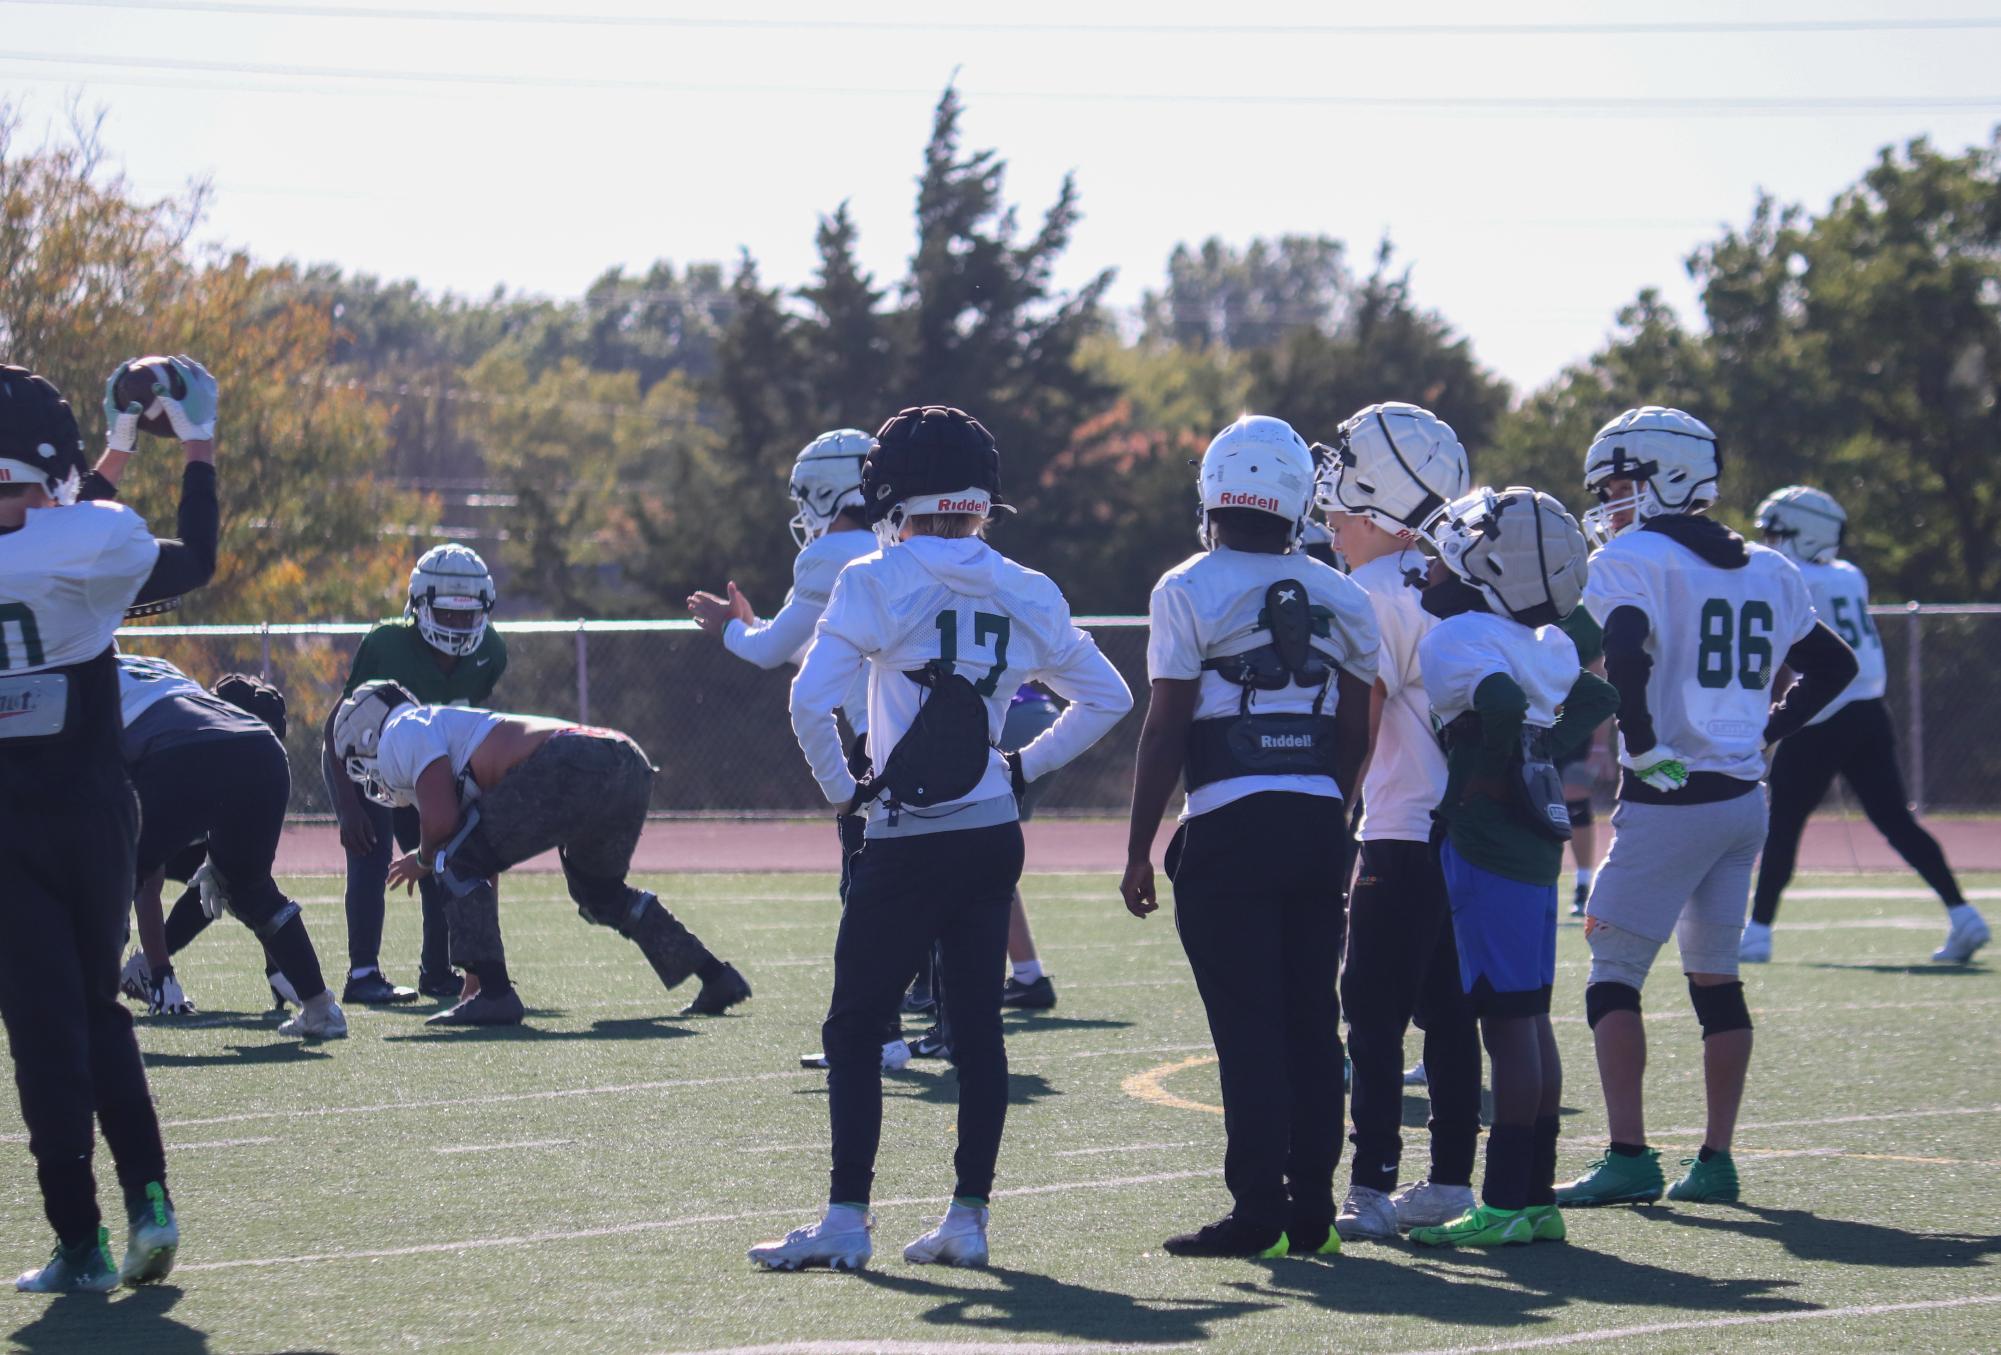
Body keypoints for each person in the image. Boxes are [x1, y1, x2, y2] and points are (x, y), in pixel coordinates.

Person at [751, 405, 1130, 1272]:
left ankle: (847, 1219)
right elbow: (1108, 698)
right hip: (991, 831)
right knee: (977, 1029)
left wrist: (845, 794)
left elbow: (809, 701)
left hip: (907, 834)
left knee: (853, 1029)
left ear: (890, 487)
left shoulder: (876, 577)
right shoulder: (1025, 586)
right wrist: (1023, 769)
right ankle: (968, 1215)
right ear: (982, 495)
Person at [1560, 408, 1857, 1210]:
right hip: (1740, 799)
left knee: (1612, 977)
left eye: (1619, 485)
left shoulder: (1632, 557)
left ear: (1665, 476)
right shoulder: (1769, 566)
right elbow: (1835, 665)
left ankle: (1628, 1154)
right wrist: (1770, 729)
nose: (1610, 504)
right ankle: (1715, 1161)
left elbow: (1621, 649)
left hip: (1668, 801)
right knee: (1714, 981)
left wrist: (1644, 734)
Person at [1123, 414, 1379, 1259]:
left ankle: (1257, 1213)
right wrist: (1331, 813)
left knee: (1248, 1029)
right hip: (1314, 822)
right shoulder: (1345, 592)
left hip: (1228, 822)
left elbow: (1164, 728)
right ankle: (1313, 1210)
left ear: (1212, 493)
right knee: (1312, 1021)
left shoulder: (1184, 585)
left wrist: (1135, 847)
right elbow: (1352, 728)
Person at [0, 357, 219, 1291]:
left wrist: (116, 448)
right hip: (93, 811)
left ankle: (79, 1242)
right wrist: (192, 441)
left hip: (8, 824)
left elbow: (40, 520)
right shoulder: (87, 541)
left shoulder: (64, 533)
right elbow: (186, 560)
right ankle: (151, 1201)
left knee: (41, 1030)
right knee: (96, 1013)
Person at [1405, 487, 1618, 1248]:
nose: (1428, 566)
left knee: (1505, 1021)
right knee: (1529, 1016)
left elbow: (1494, 703)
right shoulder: (1543, 642)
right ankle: (1533, 1197)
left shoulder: (1459, 636)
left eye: (1441, 555)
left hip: (1489, 836)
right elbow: (1597, 690)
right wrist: (1541, 756)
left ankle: (1500, 1201)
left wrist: (1476, 781)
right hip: (1536, 833)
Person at [1311, 401, 1483, 1241]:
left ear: (1383, 501)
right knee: (1452, 1011)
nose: (1332, 513)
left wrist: (1325, 815)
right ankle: (1452, 1178)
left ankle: (1372, 1182)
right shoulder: (1463, 580)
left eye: (1344, 494)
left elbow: (1363, 717)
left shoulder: (1373, 590)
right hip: (1470, 832)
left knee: (1371, 1011)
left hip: (1400, 827)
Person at [330, 685, 750, 1027]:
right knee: (600, 895)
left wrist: (421, 859)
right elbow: (477, 859)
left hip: (573, 761)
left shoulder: (401, 730)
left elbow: (441, 827)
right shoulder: (435, 725)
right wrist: (472, 984)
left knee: (450, 858)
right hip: (623, 760)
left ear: (366, 735)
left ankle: (498, 996)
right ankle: (715, 976)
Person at [687, 428, 909, 1072]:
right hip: (932, 739)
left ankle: (878, 1035)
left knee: (865, 895)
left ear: (830, 488)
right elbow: (801, 644)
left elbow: (771, 653)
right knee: (928, 893)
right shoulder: (898, 545)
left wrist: (732, 628)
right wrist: (754, 625)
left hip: (876, 747)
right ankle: (935, 1029)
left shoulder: (830, 553)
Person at [1743, 485, 1987, 964]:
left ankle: (1758, 932)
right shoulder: (1850, 575)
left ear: (1805, 533)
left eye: (1776, 532)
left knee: (1784, 823)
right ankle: (1963, 914)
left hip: (1822, 712)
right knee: (1895, 820)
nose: (1770, 541)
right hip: (1869, 710)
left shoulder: (1792, 576)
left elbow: (1788, 649)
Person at [113, 658, 345, 1037]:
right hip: (261, 748)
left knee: (114, 869)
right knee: (250, 889)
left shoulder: (80, 677)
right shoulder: (157, 666)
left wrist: (160, 973)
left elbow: (142, 871)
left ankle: (92, 1004)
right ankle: (320, 1009)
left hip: (185, 753)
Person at [322, 544, 506, 1005]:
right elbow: (338, 724)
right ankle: (363, 973)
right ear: (420, 605)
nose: (460, 626)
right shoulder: (387, 644)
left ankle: (439, 971)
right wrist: (347, 804)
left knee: (444, 856)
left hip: (430, 772)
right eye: (448, 614)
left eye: (469, 616)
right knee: (370, 855)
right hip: (374, 764)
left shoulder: (491, 653)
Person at [1557, 607, 1610, 917]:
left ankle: (1583, 882)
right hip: (1529, 722)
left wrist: (1601, 747)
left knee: (1575, 800)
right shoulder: (1510, 603)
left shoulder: (1584, 619)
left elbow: (1600, 680)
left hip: (1575, 728)